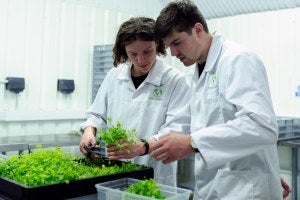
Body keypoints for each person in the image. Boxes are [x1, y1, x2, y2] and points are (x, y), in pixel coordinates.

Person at [151, 0, 283, 199]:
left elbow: (262, 126)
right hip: (214, 186)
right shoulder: (198, 71)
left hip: (246, 189)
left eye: (177, 43)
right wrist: (148, 145)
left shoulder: (237, 60)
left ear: (198, 29)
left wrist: (192, 142)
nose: (174, 53)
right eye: (169, 46)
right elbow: (194, 123)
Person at [79, 16, 190, 186]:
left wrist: (143, 147)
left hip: (154, 172)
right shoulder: (114, 76)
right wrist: (89, 130)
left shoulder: (175, 80)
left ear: (158, 45)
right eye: (133, 54)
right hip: (115, 169)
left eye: (147, 51)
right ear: (124, 51)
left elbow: (177, 129)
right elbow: (96, 114)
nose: (141, 60)